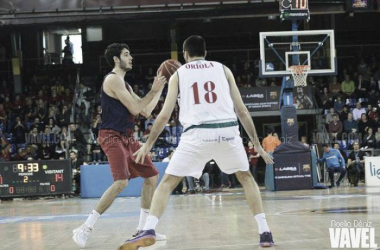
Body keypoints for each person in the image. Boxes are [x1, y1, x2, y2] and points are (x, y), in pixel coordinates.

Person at [121, 35, 275, 249]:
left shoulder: (179, 74)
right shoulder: (223, 69)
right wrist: (256, 144)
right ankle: (265, 232)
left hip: (196, 135)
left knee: (167, 183)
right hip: (227, 131)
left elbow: (165, 115)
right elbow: (242, 110)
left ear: (185, 54)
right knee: (246, 178)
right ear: (205, 52)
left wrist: (148, 144)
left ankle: (149, 228)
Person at [72, 43, 167, 248]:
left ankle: (142, 230)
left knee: (151, 176)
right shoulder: (113, 79)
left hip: (127, 137)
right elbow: (135, 107)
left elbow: (146, 111)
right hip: (111, 136)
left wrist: (158, 90)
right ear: (116, 59)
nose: (131, 57)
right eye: (126, 54)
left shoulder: (126, 85)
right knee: (121, 182)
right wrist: (152, 91)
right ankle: (85, 227)